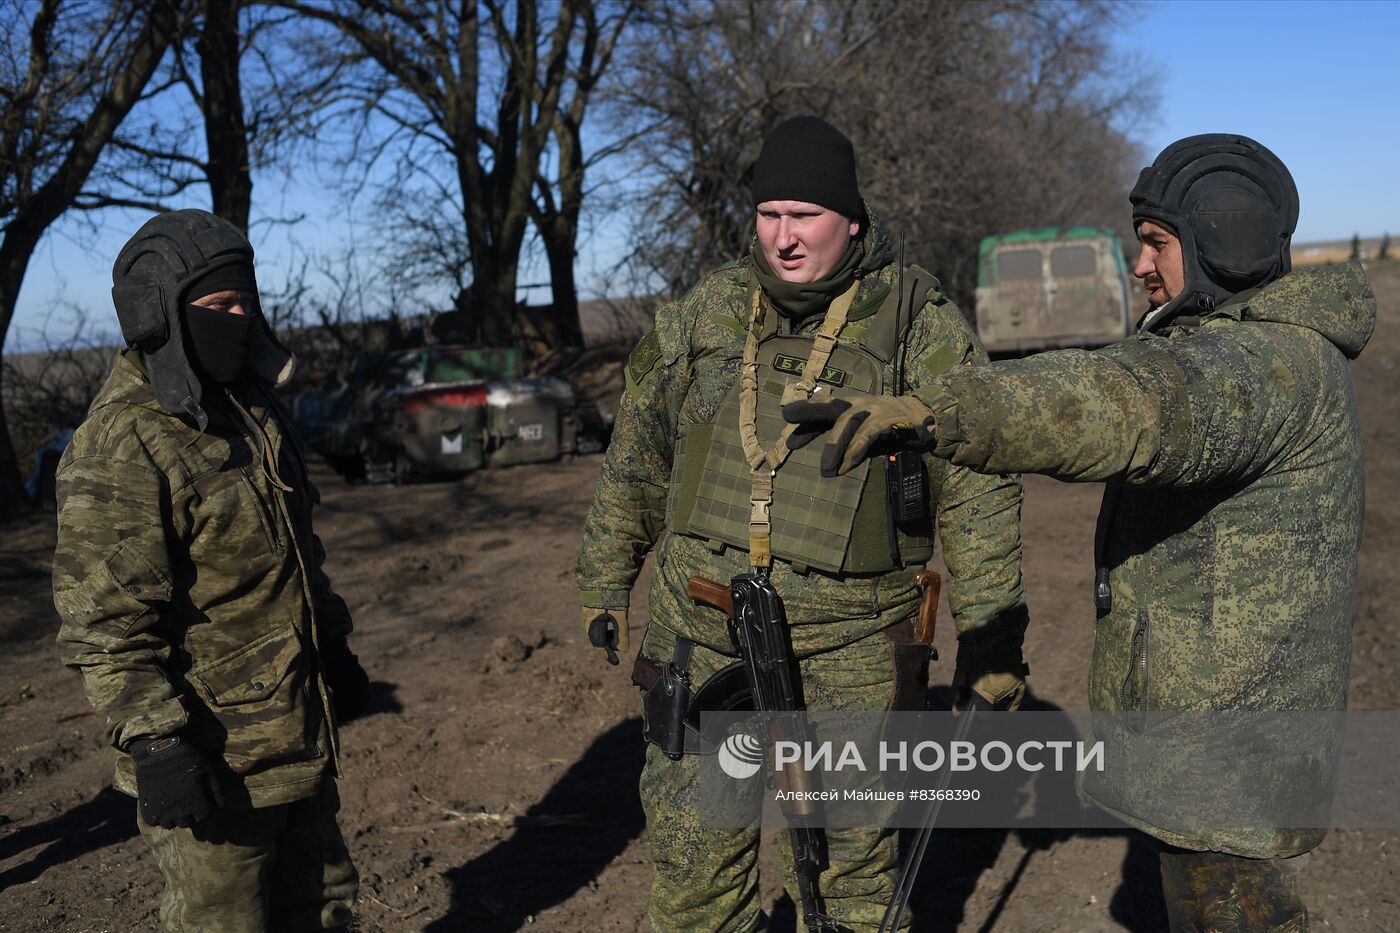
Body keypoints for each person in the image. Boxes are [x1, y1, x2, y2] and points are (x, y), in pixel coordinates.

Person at [787, 133, 1374, 930]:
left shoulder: (1267, 366)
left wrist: (939, 412)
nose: (1140, 267)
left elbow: (1128, 402)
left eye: (1157, 245)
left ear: (1222, 244)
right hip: (1218, 747)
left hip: (1237, 759)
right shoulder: (1257, 351)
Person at [577, 115, 1029, 931]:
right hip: (702, 629)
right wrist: (605, 578)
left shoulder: (917, 323)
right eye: (769, 213)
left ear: (851, 220)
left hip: (853, 650)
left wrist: (993, 643)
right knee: (695, 870)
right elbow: (636, 451)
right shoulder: (708, 311)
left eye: (806, 216)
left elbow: (980, 488)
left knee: (852, 876)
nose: (784, 238)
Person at [52, 209, 369, 933]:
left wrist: (336, 649)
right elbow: (104, 624)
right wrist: (157, 741)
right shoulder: (125, 441)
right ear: (161, 311)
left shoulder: (251, 412)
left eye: (245, 301)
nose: (239, 317)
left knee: (325, 910)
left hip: (296, 741)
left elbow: (297, 555)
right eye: (218, 305)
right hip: (210, 761)